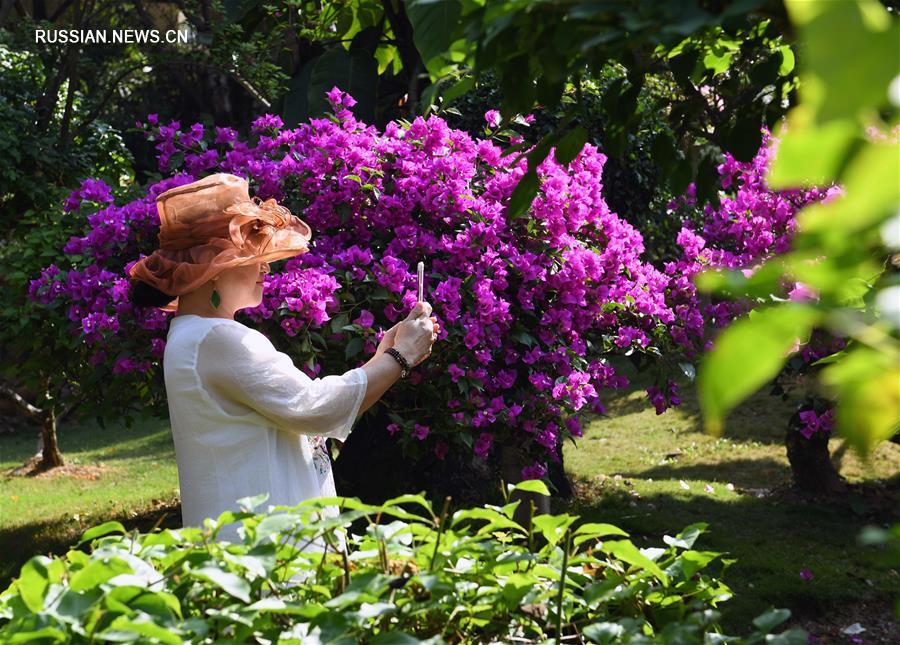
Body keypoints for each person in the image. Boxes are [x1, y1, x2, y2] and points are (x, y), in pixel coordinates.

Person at [127, 173, 439, 543]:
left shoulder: (189, 334)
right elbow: (317, 408)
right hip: (265, 554)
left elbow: (307, 411)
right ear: (212, 266)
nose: (265, 267)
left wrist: (385, 356)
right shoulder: (215, 337)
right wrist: (401, 357)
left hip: (241, 548)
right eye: (252, 255)